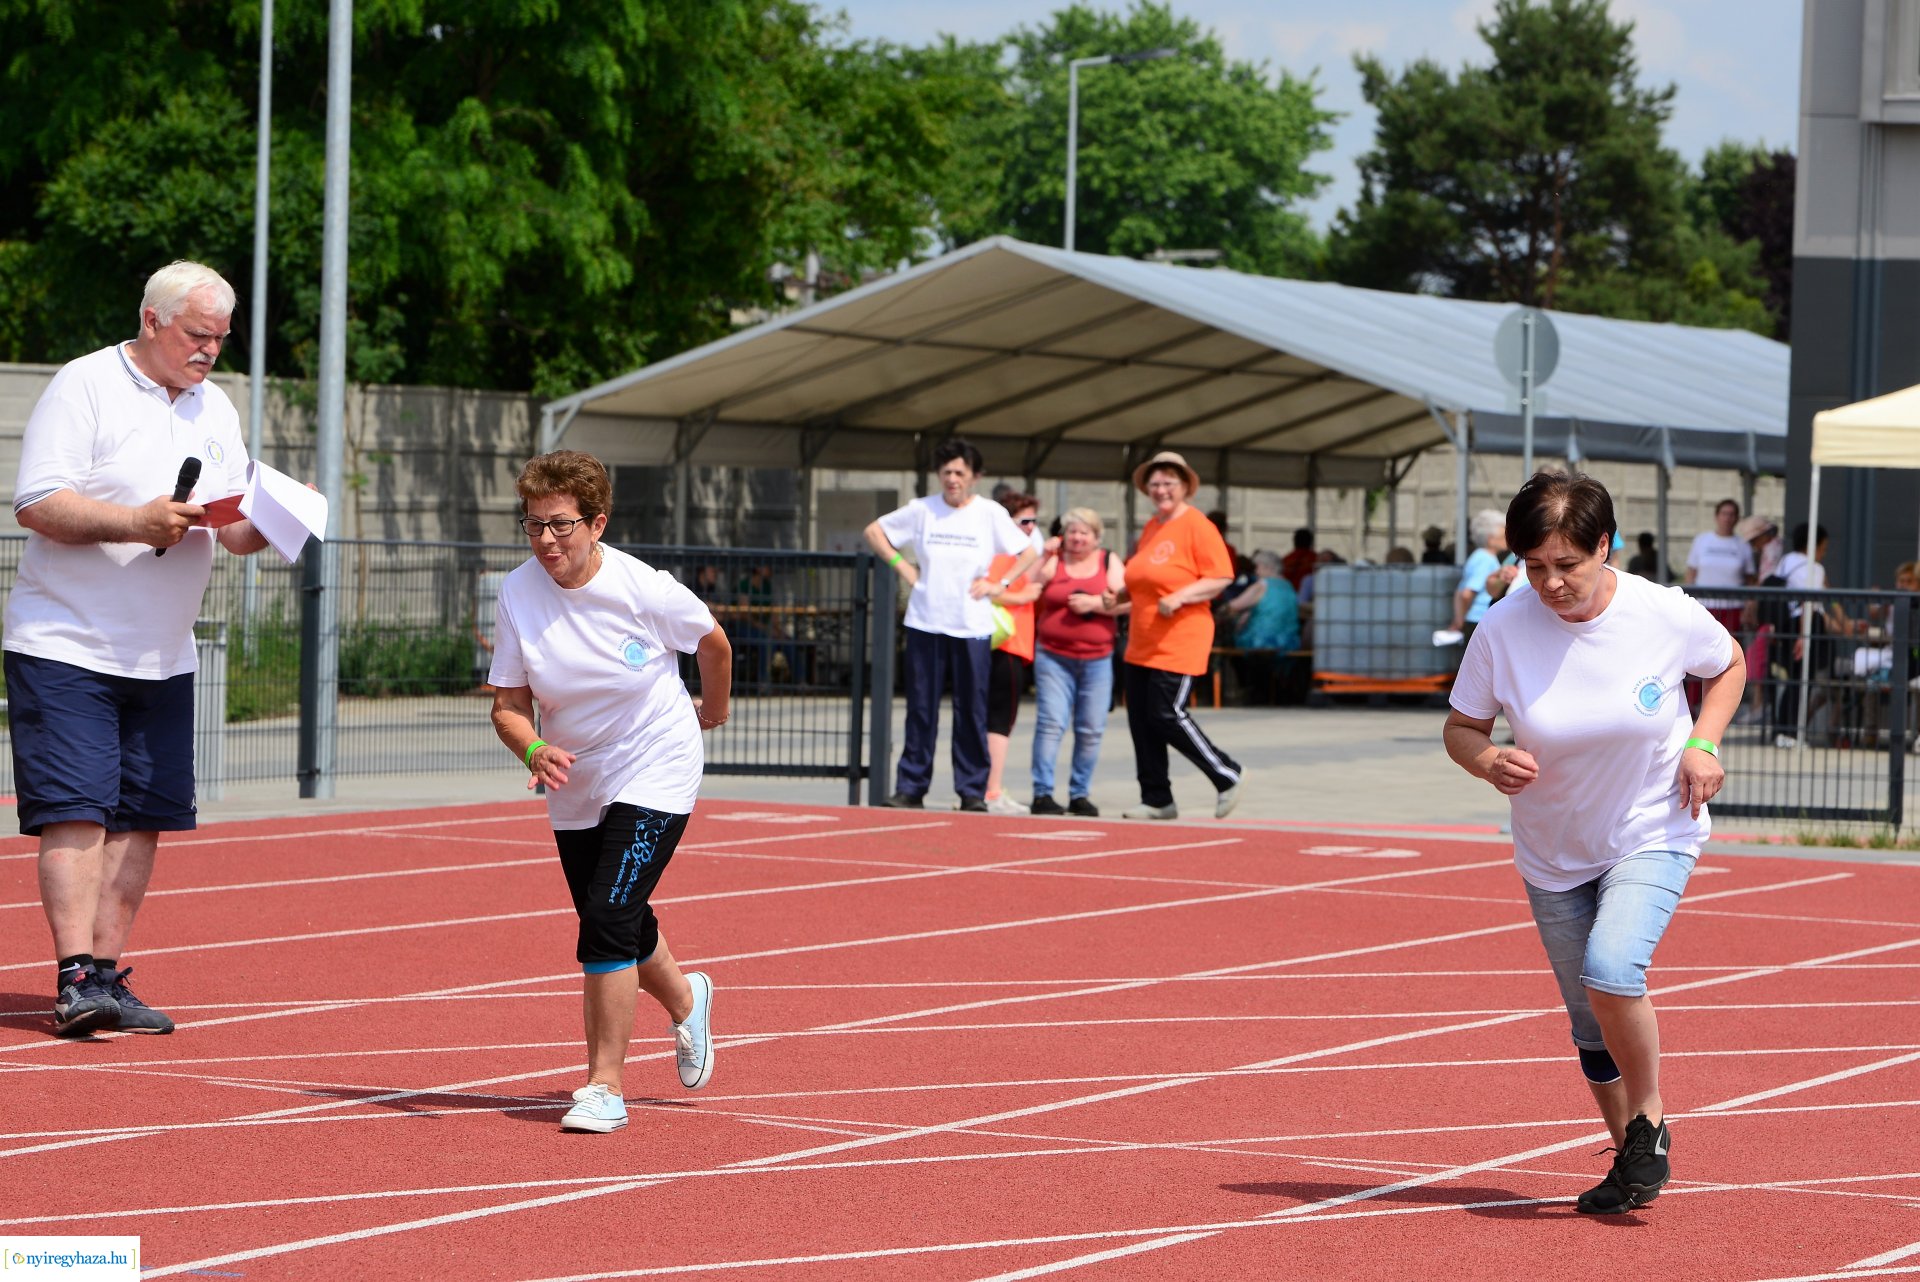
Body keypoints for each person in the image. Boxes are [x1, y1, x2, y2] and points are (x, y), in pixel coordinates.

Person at [1444, 469, 1744, 1215]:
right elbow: (1461, 727)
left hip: (1653, 824)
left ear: (1602, 547)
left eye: (1567, 566)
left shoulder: (1661, 612)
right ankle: (1632, 1158)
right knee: (1587, 1019)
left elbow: (1729, 663)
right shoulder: (1503, 628)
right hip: (1552, 847)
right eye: (1535, 566)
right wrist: (1485, 760)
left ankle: (1649, 1118)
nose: (1549, 583)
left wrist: (1703, 742)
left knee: (1613, 970)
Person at [5, 260, 276, 1038]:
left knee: (141, 819)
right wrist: (135, 522)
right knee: (77, 815)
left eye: (221, 339)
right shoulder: (85, 383)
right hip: (67, 642)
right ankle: (70, 978)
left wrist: (270, 526)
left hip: (163, 653)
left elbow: (229, 525)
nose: (209, 352)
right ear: (152, 320)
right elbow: (38, 501)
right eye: (198, 335)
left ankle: (105, 978)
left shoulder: (214, 407)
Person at [487, 450, 729, 1133]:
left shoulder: (643, 589)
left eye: (561, 526)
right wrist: (532, 745)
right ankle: (688, 1002)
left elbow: (714, 644)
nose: (546, 541)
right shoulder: (517, 593)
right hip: (575, 777)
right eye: (533, 525)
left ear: (597, 523)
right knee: (612, 914)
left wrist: (713, 711)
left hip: (656, 760)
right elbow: (507, 706)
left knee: (607, 915)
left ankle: (603, 1087)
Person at [865, 438, 1039, 811]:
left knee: (971, 709)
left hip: (971, 624)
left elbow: (1028, 551)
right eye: (946, 472)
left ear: (974, 477)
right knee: (921, 709)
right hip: (925, 621)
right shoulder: (921, 509)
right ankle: (911, 786)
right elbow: (874, 532)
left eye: (960, 472)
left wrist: (1000, 584)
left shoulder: (989, 512)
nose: (952, 479)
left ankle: (972, 789)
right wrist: (904, 568)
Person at [1110, 451, 1242, 820]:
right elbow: (1142, 579)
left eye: (1169, 482)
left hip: (1181, 636)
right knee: (1141, 718)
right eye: (1155, 483)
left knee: (1166, 713)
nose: (1161, 489)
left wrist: (1182, 596)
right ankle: (1156, 797)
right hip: (1142, 639)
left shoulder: (1198, 526)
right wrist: (1117, 596)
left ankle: (1227, 773)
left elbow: (1220, 576)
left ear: (1184, 486)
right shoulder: (1153, 527)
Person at [1029, 507, 1126, 817]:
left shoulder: (1108, 561)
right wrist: (1043, 556)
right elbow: (1027, 585)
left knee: (1091, 729)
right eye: (1072, 531)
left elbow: (1126, 600)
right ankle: (1042, 793)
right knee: (1051, 724)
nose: (1077, 537)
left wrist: (1096, 604)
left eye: (1084, 532)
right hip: (1053, 656)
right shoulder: (1055, 561)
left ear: (1097, 537)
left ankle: (1079, 793)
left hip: (1098, 658)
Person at [984, 492, 1044, 815]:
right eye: (1025, 521)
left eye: (1034, 521)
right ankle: (991, 789)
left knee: (996, 718)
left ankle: (988, 786)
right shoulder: (1001, 552)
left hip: (1011, 644)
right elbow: (989, 590)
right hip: (1003, 643)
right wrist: (1024, 596)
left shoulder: (1016, 553)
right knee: (999, 719)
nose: (1031, 527)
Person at [1439, 510, 1516, 646]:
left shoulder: (1477, 556)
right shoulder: (1486, 559)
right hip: (1479, 619)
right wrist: (1461, 621)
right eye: (1502, 532)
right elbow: (1467, 594)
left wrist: (1459, 618)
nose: (1506, 536)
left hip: (1473, 620)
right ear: (1490, 538)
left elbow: (1460, 591)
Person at [1685, 499, 1756, 636]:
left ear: (1736, 518)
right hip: (1704, 606)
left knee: (1729, 649)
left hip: (1733, 607)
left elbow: (1750, 580)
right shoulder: (1702, 540)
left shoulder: (1743, 545)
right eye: (1724, 513)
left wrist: (1749, 608)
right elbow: (1691, 573)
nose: (1727, 518)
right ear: (1716, 516)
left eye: (1732, 514)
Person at [1280, 527, 1317, 591]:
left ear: (1294, 541)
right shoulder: (1316, 559)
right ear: (1311, 542)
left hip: (1289, 594)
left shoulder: (1286, 560)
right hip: (1311, 596)